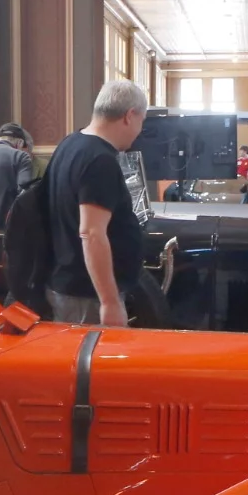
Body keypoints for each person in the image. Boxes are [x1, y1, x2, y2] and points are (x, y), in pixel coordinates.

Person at [46, 80, 149, 326]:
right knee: (91, 363)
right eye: (141, 122)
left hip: (68, 284)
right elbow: (91, 233)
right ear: (129, 116)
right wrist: (110, 302)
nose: (139, 131)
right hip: (86, 296)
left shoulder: (70, 144)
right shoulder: (100, 160)